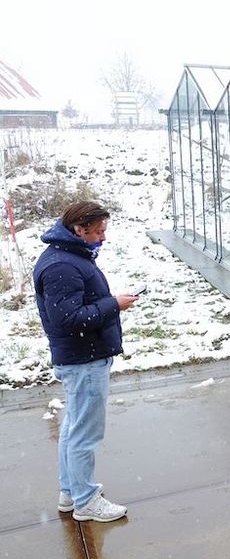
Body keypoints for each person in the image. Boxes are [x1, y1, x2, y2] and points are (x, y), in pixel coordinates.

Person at [33, 201, 138, 522]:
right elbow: (69, 319)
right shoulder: (61, 266)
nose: (103, 238)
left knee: (74, 426)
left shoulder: (68, 257)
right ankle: (86, 500)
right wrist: (114, 305)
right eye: (99, 231)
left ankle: (72, 491)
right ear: (80, 229)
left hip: (82, 357)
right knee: (85, 432)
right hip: (83, 359)